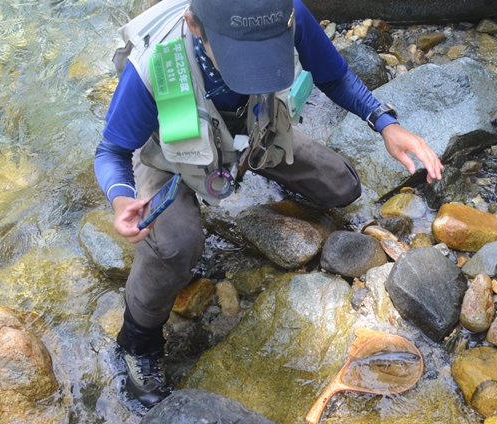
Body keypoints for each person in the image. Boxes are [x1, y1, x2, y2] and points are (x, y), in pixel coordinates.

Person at [94, 0, 443, 408]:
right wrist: (121, 200)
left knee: (343, 186)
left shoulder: (287, 13)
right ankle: (138, 343)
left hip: (254, 132)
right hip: (169, 153)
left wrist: (386, 123)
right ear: (194, 26)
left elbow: (335, 75)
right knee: (175, 244)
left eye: (267, 57)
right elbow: (111, 151)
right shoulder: (154, 66)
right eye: (240, 59)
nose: (254, 72)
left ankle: (245, 167)